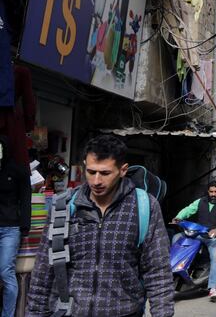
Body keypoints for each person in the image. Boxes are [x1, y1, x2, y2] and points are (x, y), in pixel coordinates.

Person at [27, 135, 173, 317]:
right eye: (91, 172)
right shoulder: (63, 206)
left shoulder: (144, 206)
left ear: (123, 170)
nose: (96, 181)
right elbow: (43, 271)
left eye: (105, 173)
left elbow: (158, 271)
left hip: (125, 312)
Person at [172, 180, 216, 302]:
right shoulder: (201, 201)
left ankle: (213, 288)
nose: (213, 194)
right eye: (211, 191)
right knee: (176, 238)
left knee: (215, 258)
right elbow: (189, 209)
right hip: (198, 233)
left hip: (213, 237)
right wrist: (178, 217)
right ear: (208, 191)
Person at [0, 135, 30, 317]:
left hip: (10, 228)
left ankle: (7, 315)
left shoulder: (18, 171)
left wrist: (24, 226)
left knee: (5, 270)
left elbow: (26, 199)